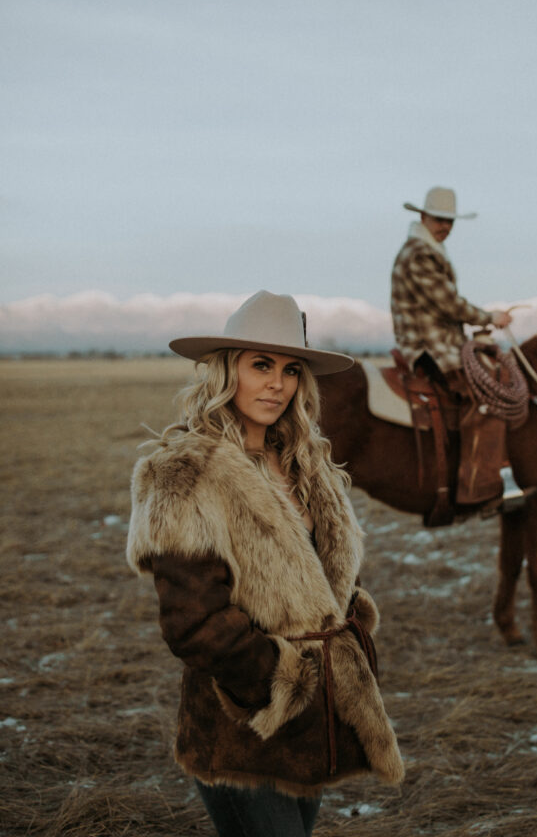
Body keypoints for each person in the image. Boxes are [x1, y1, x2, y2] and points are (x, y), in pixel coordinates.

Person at [126, 290, 404, 837]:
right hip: (241, 732)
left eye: (290, 369)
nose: (277, 383)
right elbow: (194, 623)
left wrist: (349, 637)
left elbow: (330, 581)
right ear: (228, 372)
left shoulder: (307, 463)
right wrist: (280, 686)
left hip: (309, 736)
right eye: (261, 365)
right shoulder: (187, 472)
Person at [391, 186, 523, 511]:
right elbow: (447, 303)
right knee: (486, 396)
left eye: (450, 221)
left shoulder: (427, 249)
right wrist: (490, 317)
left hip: (442, 339)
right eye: (439, 219)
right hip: (429, 345)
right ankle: (477, 489)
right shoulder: (419, 253)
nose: (445, 226)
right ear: (423, 216)